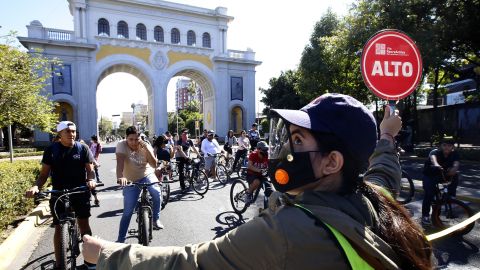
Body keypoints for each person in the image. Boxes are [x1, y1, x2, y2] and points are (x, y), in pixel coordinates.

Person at [83, 94, 432, 269]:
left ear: (332, 162)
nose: (283, 149)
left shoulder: (287, 231)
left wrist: (109, 254)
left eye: (297, 141)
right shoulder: (375, 200)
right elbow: (384, 172)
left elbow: (190, 263)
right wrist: (385, 137)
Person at [26, 121, 98, 270]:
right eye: (68, 131)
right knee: (59, 227)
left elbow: (90, 170)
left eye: (73, 131)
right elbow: (43, 175)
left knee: (84, 225)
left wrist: (91, 179)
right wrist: (35, 186)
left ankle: (90, 262)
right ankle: (60, 265)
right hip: (58, 192)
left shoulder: (82, 148)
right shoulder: (51, 150)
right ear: (60, 134)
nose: (71, 134)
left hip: (79, 190)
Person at [116, 126, 163, 243]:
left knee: (156, 192)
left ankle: (155, 219)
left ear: (140, 138)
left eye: (136, 139)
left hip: (146, 174)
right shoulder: (121, 145)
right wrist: (120, 177)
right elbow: (120, 162)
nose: (134, 142)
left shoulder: (145, 145)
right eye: (130, 139)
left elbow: (154, 165)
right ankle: (120, 240)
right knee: (127, 211)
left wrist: (146, 149)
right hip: (130, 179)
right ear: (126, 138)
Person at [421, 136, 460, 225]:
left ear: (452, 147)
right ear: (441, 146)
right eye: (444, 145)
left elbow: (456, 164)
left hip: (442, 174)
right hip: (429, 175)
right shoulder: (435, 152)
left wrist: (454, 169)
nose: (446, 147)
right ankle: (425, 215)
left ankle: (451, 196)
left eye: (449, 145)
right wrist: (436, 165)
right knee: (429, 194)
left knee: (456, 175)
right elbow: (433, 159)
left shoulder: (454, 154)